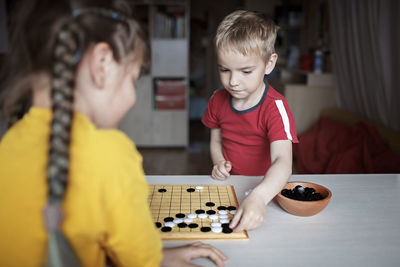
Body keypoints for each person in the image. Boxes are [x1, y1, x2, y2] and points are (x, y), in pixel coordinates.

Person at [0, 0, 227, 266]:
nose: (132, 98)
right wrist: (154, 258)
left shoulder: (8, 144)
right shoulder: (110, 153)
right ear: (102, 63)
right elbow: (138, 261)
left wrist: (160, 256)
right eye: (132, 80)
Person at [202, 10, 299, 233]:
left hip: (266, 192)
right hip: (229, 188)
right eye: (224, 70)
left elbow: (283, 162)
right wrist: (218, 162)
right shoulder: (217, 100)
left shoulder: (276, 107)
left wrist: (259, 196)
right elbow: (216, 141)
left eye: (246, 71)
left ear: (269, 64)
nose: (233, 81)